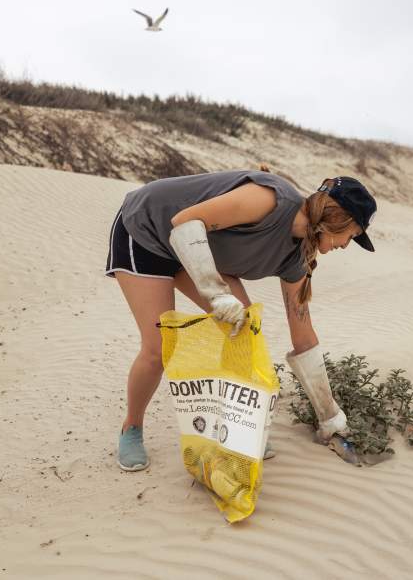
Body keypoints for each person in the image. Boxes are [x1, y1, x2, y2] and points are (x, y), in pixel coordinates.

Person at [105, 167, 377, 471]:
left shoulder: (299, 256)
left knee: (245, 329)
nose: (345, 245)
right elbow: (183, 223)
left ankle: (237, 427)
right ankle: (131, 429)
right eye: (352, 235)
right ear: (338, 217)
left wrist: (330, 417)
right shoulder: (271, 200)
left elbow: (303, 335)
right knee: (158, 346)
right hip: (146, 230)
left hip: (192, 251)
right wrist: (217, 294)